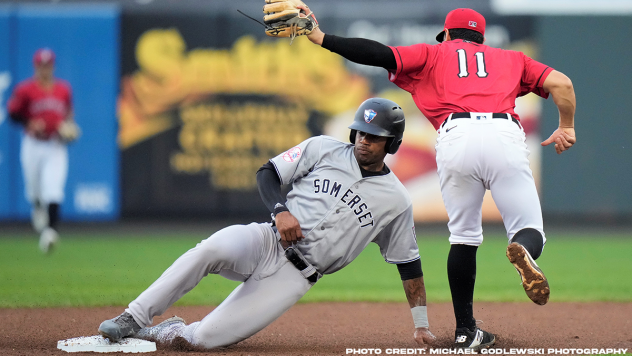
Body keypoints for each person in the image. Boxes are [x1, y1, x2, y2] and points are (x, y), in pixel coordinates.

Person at [290, 6, 576, 350]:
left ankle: (466, 331)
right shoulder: (513, 58)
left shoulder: (433, 53)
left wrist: (320, 37)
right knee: (530, 229)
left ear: (448, 34)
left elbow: (378, 53)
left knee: (464, 236)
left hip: (456, 135)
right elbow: (562, 83)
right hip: (504, 133)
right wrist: (567, 126)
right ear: (481, 38)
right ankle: (523, 250)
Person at [97, 98, 436, 349]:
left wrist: (420, 325)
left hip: (295, 277)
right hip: (267, 239)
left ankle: (167, 330)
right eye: (361, 132)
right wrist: (279, 210)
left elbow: (409, 264)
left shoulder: (397, 200)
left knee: (201, 341)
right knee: (211, 248)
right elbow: (268, 173)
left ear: (392, 143)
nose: (364, 140)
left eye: (374, 136)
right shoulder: (323, 148)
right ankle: (134, 317)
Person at [7, 48, 77, 254]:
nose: (45, 69)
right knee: (34, 190)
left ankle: (50, 233)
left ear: (53, 66)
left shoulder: (63, 89)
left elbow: (68, 115)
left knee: (54, 188)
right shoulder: (25, 90)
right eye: (41, 65)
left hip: (55, 144)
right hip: (33, 144)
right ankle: (37, 207)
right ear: (36, 66)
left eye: (48, 65)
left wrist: (69, 129)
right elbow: (12, 114)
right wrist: (29, 122)